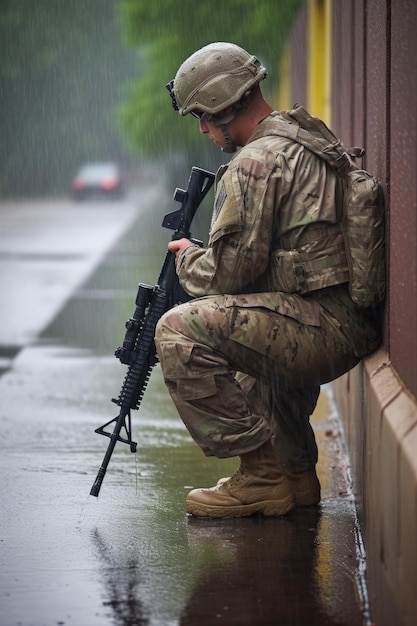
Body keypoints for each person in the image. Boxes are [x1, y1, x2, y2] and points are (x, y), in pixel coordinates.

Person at [155, 42, 382, 518]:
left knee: (179, 331)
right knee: (253, 325)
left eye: (202, 115)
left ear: (221, 104)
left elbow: (227, 273)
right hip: (342, 321)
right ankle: (294, 474)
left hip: (324, 328)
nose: (202, 128)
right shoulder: (303, 139)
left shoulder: (254, 163)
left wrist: (186, 259)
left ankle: (260, 476)